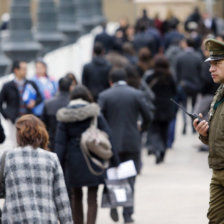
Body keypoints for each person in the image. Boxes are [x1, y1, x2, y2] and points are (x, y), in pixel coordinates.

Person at [55, 85, 119, 224]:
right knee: (92, 197)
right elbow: (108, 136)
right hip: (92, 158)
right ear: (87, 96)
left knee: (75, 195)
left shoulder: (64, 115)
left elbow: (60, 142)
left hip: (73, 160)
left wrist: (57, 164)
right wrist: (115, 160)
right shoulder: (94, 113)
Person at [98, 68, 151, 223]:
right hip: (131, 141)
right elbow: (148, 115)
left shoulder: (104, 95)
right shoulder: (136, 94)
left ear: (110, 81)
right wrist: (142, 129)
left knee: (113, 175)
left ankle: (114, 203)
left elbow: (98, 118)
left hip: (111, 143)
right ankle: (128, 215)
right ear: (126, 79)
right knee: (130, 178)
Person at [1, 114, 73, 223]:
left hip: (15, 218)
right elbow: (61, 198)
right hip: (46, 219)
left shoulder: (8, 157)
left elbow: (1, 190)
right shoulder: (51, 158)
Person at [193, 38, 224, 224]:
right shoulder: (219, 93)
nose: (211, 69)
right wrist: (204, 132)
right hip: (218, 170)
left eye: (217, 64)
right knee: (214, 219)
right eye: (211, 64)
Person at [0, 61, 42, 146]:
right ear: (16, 70)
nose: (25, 71)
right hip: (14, 120)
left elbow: (40, 97)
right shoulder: (8, 86)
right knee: (15, 143)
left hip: (29, 119)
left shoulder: (30, 84)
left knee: (30, 142)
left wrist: (34, 102)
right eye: (23, 69)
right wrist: (7, 115)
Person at [42, 77, 72, 151]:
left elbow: (43, 125)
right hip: (70, 143)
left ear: (58, 87)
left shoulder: (48, 103)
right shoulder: (73, 104)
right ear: (70, 88)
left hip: (52, 142)